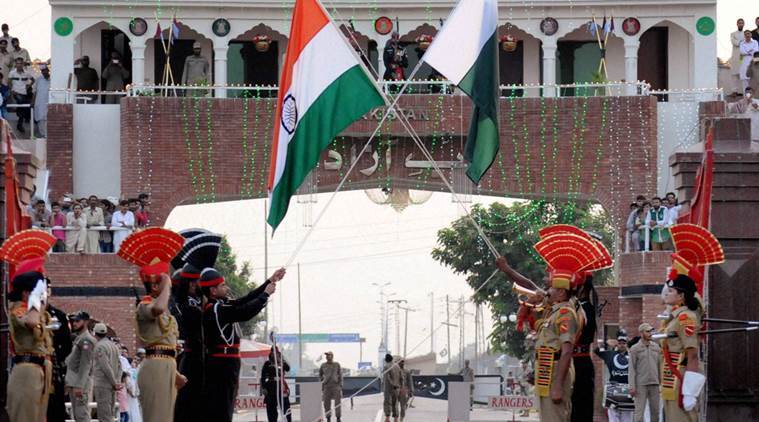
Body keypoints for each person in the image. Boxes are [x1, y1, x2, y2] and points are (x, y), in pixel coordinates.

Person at [118, 229, 187, 422]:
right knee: (157, 418)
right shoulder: (145, 305)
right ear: (155, 286)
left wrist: (176, 373)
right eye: (164, 281)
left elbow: (167, 346)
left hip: (166, 365)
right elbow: (157, 309)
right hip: (155, 365)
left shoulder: (164, 309)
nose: (169, 285)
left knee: (165, 417)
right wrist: (167, 286)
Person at [201, 266, 284, 422]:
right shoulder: (216, 309)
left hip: (226, 363)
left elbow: (245, 299)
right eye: (222, 285)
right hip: (221, 363)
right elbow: (245, 311)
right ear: (213, 290)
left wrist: (269, 281)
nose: (227, 288)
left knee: (226, 404)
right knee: (221, 406)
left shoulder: (220, 305)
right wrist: (265, 294)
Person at [1, 236, 55, 422]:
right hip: (27, 371)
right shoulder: (19, 309)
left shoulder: (38, 311)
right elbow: (31, 323)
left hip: (41, 370)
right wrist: (34, 300)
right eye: (39, 290)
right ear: (26, 293)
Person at [173, 232, 220, 422]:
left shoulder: (200, 299)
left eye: (196, 281)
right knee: (185, 397)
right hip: (185, 351)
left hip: (201, 352)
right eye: (191, 281)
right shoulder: (179, 302)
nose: (194, 285)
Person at [571, 274, 598, 422]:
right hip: (579, 362)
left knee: (579, 410)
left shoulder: (583, 309)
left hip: (579, 363)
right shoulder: (580, 308)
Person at [46, 283, 73, 422]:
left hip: (53, 365)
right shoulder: (26, 314)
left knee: (55, 408)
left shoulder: (58, 315)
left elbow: (67, 344)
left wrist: (59, 360)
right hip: (33, 363)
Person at [66, 311, 97, 422]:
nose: (74, 323)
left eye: (78, 321)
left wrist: (79, 385)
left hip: (81, 384)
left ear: (86, 322)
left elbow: (86, 365)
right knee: (77, 415)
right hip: (75, 383)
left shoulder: (86, 340)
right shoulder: (79, 339)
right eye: (73, 321)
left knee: (82, 415)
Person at [595, 333, 633, 422]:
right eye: (620, 343)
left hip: (627, 389)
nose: (622, 345)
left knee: (626, 418)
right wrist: (606, 343)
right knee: (613, 418)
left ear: (627, 344)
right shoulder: (610, 354)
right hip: (613, 388)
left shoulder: (632, 355)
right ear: (617, 344)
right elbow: (597, 351)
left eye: (624, 343)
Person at [628, 323, 661, 422]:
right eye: (647, 331)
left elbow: (660, 365)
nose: (650, 333)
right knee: (639, 413)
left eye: (651, 331)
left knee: (656, 412)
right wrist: (632, 386)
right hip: (640, 385)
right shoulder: (635, 348)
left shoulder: (656, 347)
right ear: (641, 333)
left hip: (654, 384)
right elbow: (631, 369)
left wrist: (661, 383)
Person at [92, 322, 123, 422]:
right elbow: (120, 366)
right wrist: (117, 382)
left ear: (95, 333)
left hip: (103, 384)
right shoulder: (114, 346)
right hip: (112, 386)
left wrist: (114, 382)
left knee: (104, 416)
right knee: (110, 414)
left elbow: (105, 366)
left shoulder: (99, 347)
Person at [261, 347, 292, 422]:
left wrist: (280, 360)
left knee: (286, 407)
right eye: (273, 352)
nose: (274, 354)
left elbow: (288, 368)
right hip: (270, 387)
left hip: (281, 386)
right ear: (270, 353)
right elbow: (263, 377)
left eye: (276, 352)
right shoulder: (267, 363)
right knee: (271, 410)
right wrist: (263, 387)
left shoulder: (282, 362)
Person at [8, 56, 33, 132]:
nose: (19, 65)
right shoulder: (12, 73)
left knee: (23, 105)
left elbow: (33, 80)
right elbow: (9, 82)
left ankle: (20, 122)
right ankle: (22, 121)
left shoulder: (27, 73)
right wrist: (11, 90)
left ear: (23, 64)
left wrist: (29, 85)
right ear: (16, 64)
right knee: (22, 102)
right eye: (17, 63)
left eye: (20, 63)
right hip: (15, 93)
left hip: (24, 93)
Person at [319, 351, 343, 422]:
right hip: (326, 386)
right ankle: (328, 418)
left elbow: (341, 375)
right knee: (326, 403)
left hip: (336, 386)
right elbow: (320, 374)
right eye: (326, 355)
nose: (327, 356)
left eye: (328, 355)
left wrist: (340, 385)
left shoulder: (337, 364)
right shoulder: (323, 365)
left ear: (332, 356)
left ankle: (338, 418)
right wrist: (322, 381)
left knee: (337, 403)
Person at [382, 353, 402, 422]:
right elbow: (401, 377)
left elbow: (387, 378)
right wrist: (400, 386)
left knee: (387, 402)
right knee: (395, 403)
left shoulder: (386, 367)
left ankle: (387, 419)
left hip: (389, 388)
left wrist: (392, 384)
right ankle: (396, 419)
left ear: (386, 360)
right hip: (397, 388)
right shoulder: (397, 366)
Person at [32, 63, 50, 137]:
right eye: (42, 71)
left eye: (45, 70)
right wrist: (32, 101)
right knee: (40, 119)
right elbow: (34, 91)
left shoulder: (53, 79)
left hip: (48, 103)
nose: (44, 72)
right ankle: (43, 136)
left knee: (48, 119)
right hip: (39, 103)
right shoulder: (38, 79)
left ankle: (47, 136)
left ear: (48, 70)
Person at [732, 19, 747, 95]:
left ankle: (745, 92)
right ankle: (735, 91)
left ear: (744, 24)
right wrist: (741, 41)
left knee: (743, 74)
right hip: (735, 57)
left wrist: (740, 41)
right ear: (737, 24)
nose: (741, 24)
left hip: (743, 57)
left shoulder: (746, 34)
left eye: (742, 23)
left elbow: (747, 43)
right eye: (739, 23)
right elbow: (735, 43)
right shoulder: (733, 34)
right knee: (735, 74)